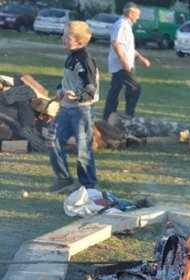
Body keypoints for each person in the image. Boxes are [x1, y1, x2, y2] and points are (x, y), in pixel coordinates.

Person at [48, 21, 100, 193]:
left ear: (79, 41)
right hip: (67, 108)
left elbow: (91, 88)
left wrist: (77, 96)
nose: (63, 38)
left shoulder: (85, 60)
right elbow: (67, 81)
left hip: (82, 110)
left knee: (83, 149)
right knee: (53, 141)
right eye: (63, 35)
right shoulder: (71, 56)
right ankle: (64, 178)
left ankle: (89, 186)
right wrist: (60, 90)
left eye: (67, 36)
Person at [102, 2, 150, 121]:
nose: (138, 17)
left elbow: (128, 47)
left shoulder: (126, 26)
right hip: (122, 65)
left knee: (115, 90)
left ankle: (107, 117)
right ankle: (129, 116)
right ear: (130, 13)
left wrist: (140, 58)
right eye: (137, 15)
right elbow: (115, 43)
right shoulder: (121, 25)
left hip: (123, 63)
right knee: (135, 88)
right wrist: (123, 61)